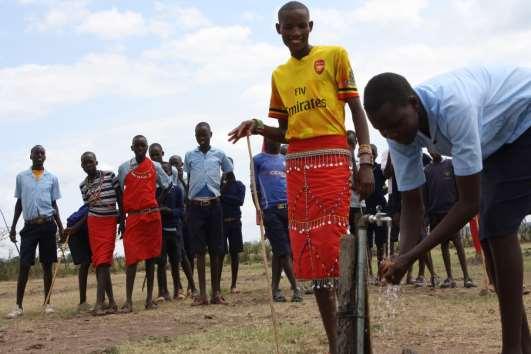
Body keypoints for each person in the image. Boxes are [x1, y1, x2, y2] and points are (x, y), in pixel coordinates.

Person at [228, 2, 374, 351]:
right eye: (287, 28)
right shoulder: (279, 75)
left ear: (311, 25)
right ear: (278, 30)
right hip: (297, 168)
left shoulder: (335, 56)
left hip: (333, 161)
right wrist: (259, 126)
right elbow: (287, 132)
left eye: (300, 26)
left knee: (340, 254)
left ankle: (361, 344)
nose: (294, 33)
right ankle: (336, 344)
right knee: (312, 260)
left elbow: (356, 108)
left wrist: (365, 158)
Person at [364, 65, 531, 353]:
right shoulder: (399, 133)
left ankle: (513, 349)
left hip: (524, 120)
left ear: (414, 104)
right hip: (498, 140)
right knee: (490, 236)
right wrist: (400, 258)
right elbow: (412, 205)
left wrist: (412, 256)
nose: (391, 133)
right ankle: (523, 345)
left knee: (498, 225)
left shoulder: (455, 107)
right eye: (382, 130)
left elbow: (468, 204)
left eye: (395, 124)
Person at [7, 145, 64, 318]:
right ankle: (18, 306)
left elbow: (54, 204)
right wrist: (13, 227)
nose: (39, 155)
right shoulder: (21, 177)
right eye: (36, 153)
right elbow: (19, 203)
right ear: (30, 156)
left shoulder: (52, 178)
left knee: (47, 265)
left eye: (42, 153)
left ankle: (47, 304)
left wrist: (61, 227)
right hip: (29, 226)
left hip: (47, 225)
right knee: (24, 265)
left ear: (45, 157)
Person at [117, 135, 170, 312]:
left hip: (152, 217)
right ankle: (129, 301)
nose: (140, 148)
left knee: (150, 258)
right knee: (131, 258)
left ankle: (149, 300)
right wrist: (121, 217)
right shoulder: (124, 168)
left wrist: (155, 202)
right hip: (132, 217)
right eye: (137, 146)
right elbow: (119, 191)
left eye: (143, 145)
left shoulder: (155, 166)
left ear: (146, 147)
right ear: (132, 148)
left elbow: (167, 185)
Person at [65, 152, 121, 315]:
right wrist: (75, 228)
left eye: (90, 161)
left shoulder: (110, 176)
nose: (88, 165)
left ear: (96, 162)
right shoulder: (83, 186)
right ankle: (111, 303)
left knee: (103, 262)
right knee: (99, 262)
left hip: (109, 221)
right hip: (93, 224)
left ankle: (99, 303)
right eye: (84, 163)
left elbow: (120, 198)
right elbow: (88, 209)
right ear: (82, 166)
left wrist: (123, 220)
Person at [185, 122, 234, 305]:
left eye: (204, 134)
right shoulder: (190, 155)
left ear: (211, 134)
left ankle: (215, 293)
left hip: (214, 206)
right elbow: (189, 177)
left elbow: (230, 176)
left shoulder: (219, 155)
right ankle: (202, 295)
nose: (201, 137)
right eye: (198, 135)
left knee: (216, 250)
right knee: (199, 251)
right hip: (196, 207)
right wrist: (188, 200)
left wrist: (219, 191)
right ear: (195, 136)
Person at [254, 137, 303, 302]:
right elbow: (254, 187)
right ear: (266, 142)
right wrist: (258, 209)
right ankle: (296, 287)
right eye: (270, 138)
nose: (274, 141)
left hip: (288, 209)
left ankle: (275, 289)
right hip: (270, 210)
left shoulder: (285, 159)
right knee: (284, 251)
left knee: (280, 251)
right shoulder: (257, 160)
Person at [424, 149, 475, 288]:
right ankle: (450, 278)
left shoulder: (450, 164)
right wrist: (428, 215)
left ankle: (466, 278)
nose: (433, 151)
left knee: (458, 243)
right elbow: (426, 194)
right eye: (430, 149)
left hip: (452, 211)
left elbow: (459, 186)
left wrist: (461, 206)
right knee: (444, 245)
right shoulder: (427, 170)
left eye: (434, 147)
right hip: (436, 214)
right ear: (428, 151)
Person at [169, 154, 197, 298]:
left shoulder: (188, 180)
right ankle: (178, 287)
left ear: (181, 165)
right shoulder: (168, 182)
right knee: (176, 256)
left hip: (188, 222)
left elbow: (190, 198)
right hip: (175, 223)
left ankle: (190, 288)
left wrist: (181, 180)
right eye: (172, 164)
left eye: (177, 164)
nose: (175, 167)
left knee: (190, 255)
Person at [157, 161, 185, 301]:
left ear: (170, 172)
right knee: (161, 261)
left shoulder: (177, 190)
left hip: (174, 230)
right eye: (161, 171)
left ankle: (177, 290)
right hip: (160, 231)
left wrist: (170, 211)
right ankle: (163, 292)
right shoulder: (155, 190)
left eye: (167, 171)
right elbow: (153, 207)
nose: (164, 174)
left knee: (175, 261)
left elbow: (181, 210)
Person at [220, 157, 246, 294]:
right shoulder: (219, 185)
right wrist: (221, 184)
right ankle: (217, 285)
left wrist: (222, 197)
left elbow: (239, 201)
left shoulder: (239, 185)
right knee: (220, 253)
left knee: (234, 254)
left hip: (235, 222)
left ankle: (233, 284)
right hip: (221, 224)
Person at [364, 144, 388, 282]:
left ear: (376, 155)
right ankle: (370, 273)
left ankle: (380, 274)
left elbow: (386, 185)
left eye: (373, 153)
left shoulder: (380, 169)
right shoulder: (363, 171)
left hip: (380, 209)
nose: (371, 155)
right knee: (367, 243)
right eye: (369, 153)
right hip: (367, 209)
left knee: (380, 243)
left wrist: (382, 191)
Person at [65, 205, 92, 312]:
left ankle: (102, 299)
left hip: (82, 230)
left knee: (93, 264)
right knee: (86, 264)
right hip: (77, 232)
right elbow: (88, 215)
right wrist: (75, 228)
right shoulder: (91, 206)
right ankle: (82, 302)